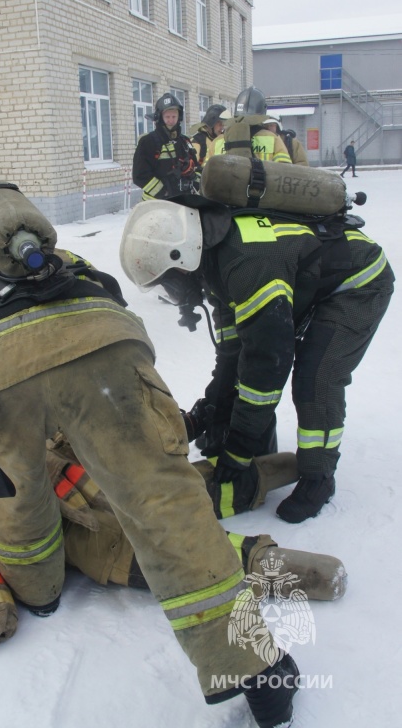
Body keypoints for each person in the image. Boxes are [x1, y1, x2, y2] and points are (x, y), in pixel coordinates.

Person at [0, 180, 300, 726]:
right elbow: (116, 308)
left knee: (14, 499)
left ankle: (41, 593)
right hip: (113, 354)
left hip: (11, 390)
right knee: (169, 509)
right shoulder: (71, 260)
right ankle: (258, 672)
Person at [0, 433, 347, 650]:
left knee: (188, 516)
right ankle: (296, 547)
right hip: (94, 517)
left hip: (99, 508)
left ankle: (284, 486)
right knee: (188, 519)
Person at [120, 196, 394, 524]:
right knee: (248, 362)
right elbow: (231, 358)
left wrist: (237, 452)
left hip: (358, 282)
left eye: (169, 282)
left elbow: (267, 366)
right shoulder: (213, 265)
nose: (174, 293)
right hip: (307, 278)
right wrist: (212, 413)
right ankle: (259, 440)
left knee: (315, 377)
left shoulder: (246, 265)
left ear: (182, 259)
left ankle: (319, 477)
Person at [132, 92, 200, 200]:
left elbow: (197, 168)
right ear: (160, 117)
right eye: (167, 116)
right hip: (155, 204)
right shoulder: (148, 142)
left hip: (184, 202)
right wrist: (165, 192)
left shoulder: (185, 141)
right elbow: (140, 175)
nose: (171, 120)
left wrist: (192, 177)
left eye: (174, 116)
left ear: (179, 117)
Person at [207, 87, 292, 164]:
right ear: (263, 111)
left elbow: (206, 173)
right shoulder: (273, 139)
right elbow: (286, 172)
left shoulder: (217, 142)